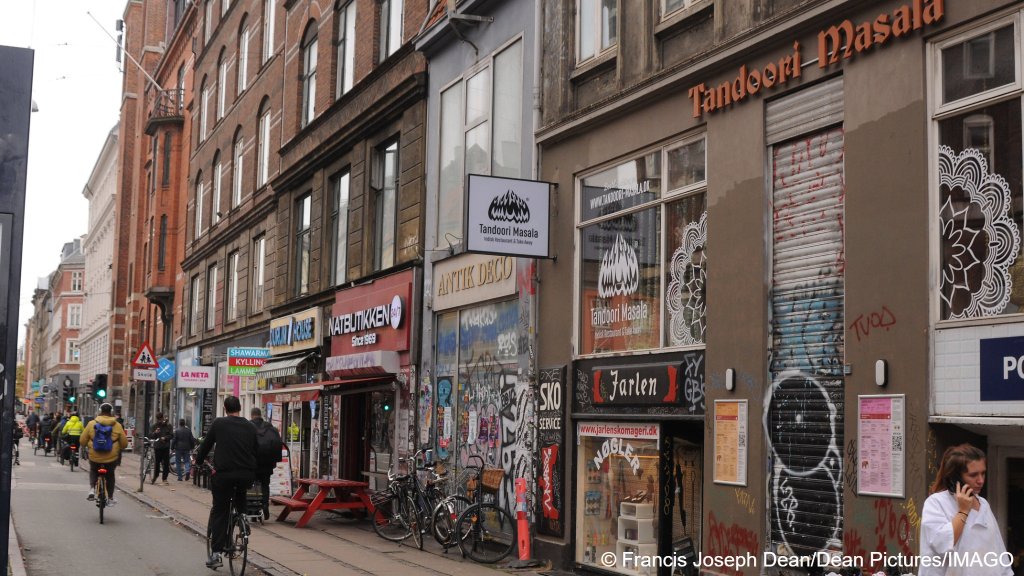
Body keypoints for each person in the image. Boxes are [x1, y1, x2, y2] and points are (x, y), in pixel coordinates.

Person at [919, 443, 1013, 576]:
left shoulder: (983, 504)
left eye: (983, 473)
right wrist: (963, 511)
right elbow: (941, 545)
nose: (980, 480)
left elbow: (998, 552)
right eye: (973, 475)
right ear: (956, 477)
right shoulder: (936, 503)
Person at [195, 396, 258, 569]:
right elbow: (256, 450)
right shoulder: (250, 426)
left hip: (224, 475)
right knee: (241, 492)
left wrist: (198, 461)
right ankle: (243, 517)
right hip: (246, 474)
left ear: (225, 408)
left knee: (220, 511)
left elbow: (206, 446)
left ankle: (216, 554)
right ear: (240, 407)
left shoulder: (219, 423)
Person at [79, 403, 129, 505]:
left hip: (95, 455)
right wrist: (117, 446)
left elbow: (82, 441)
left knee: (93, 470)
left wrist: (87, 445)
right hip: (111, 457)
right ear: (111, 412)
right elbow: (124, 444)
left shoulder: (91, 424)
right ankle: (110, 498)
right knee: (110, 475)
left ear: (99, 411)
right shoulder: (118, 425)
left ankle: (92, 489)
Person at [250, 407, 283, 520]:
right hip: (267, 464)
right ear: (260, 415)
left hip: (252, 464)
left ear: (252, 415)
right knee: (265, 485)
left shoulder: (248, 427)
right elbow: (278, 444)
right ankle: (265, 504)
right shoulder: (271, 428)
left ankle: (253, 509)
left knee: (252, 485)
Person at [149, 412, 174, 485]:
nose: (160, 420)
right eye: (159, 419)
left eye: (161, 419)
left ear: (163, 417)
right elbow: (151, 436)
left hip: (165, 446)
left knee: (166, 463)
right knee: (157, 463)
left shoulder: (168, 426)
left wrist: (165, 438)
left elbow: (171, 435)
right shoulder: (154, 426)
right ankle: (155, 476)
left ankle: (164, 478)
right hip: (158, 447)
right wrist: (155, 433)